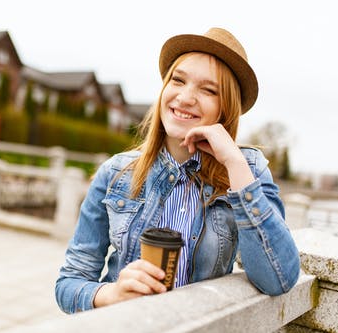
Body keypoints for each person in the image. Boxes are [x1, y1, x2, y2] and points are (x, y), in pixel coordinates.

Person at [55, 27, 300, 314]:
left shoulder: (248, 171)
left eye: (209, 90)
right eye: (178, 80)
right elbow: (68, 284)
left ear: (226, 108)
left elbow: (278, 279)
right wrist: (111, 294)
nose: (185, 97)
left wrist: (235, 163)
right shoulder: (115, 173)